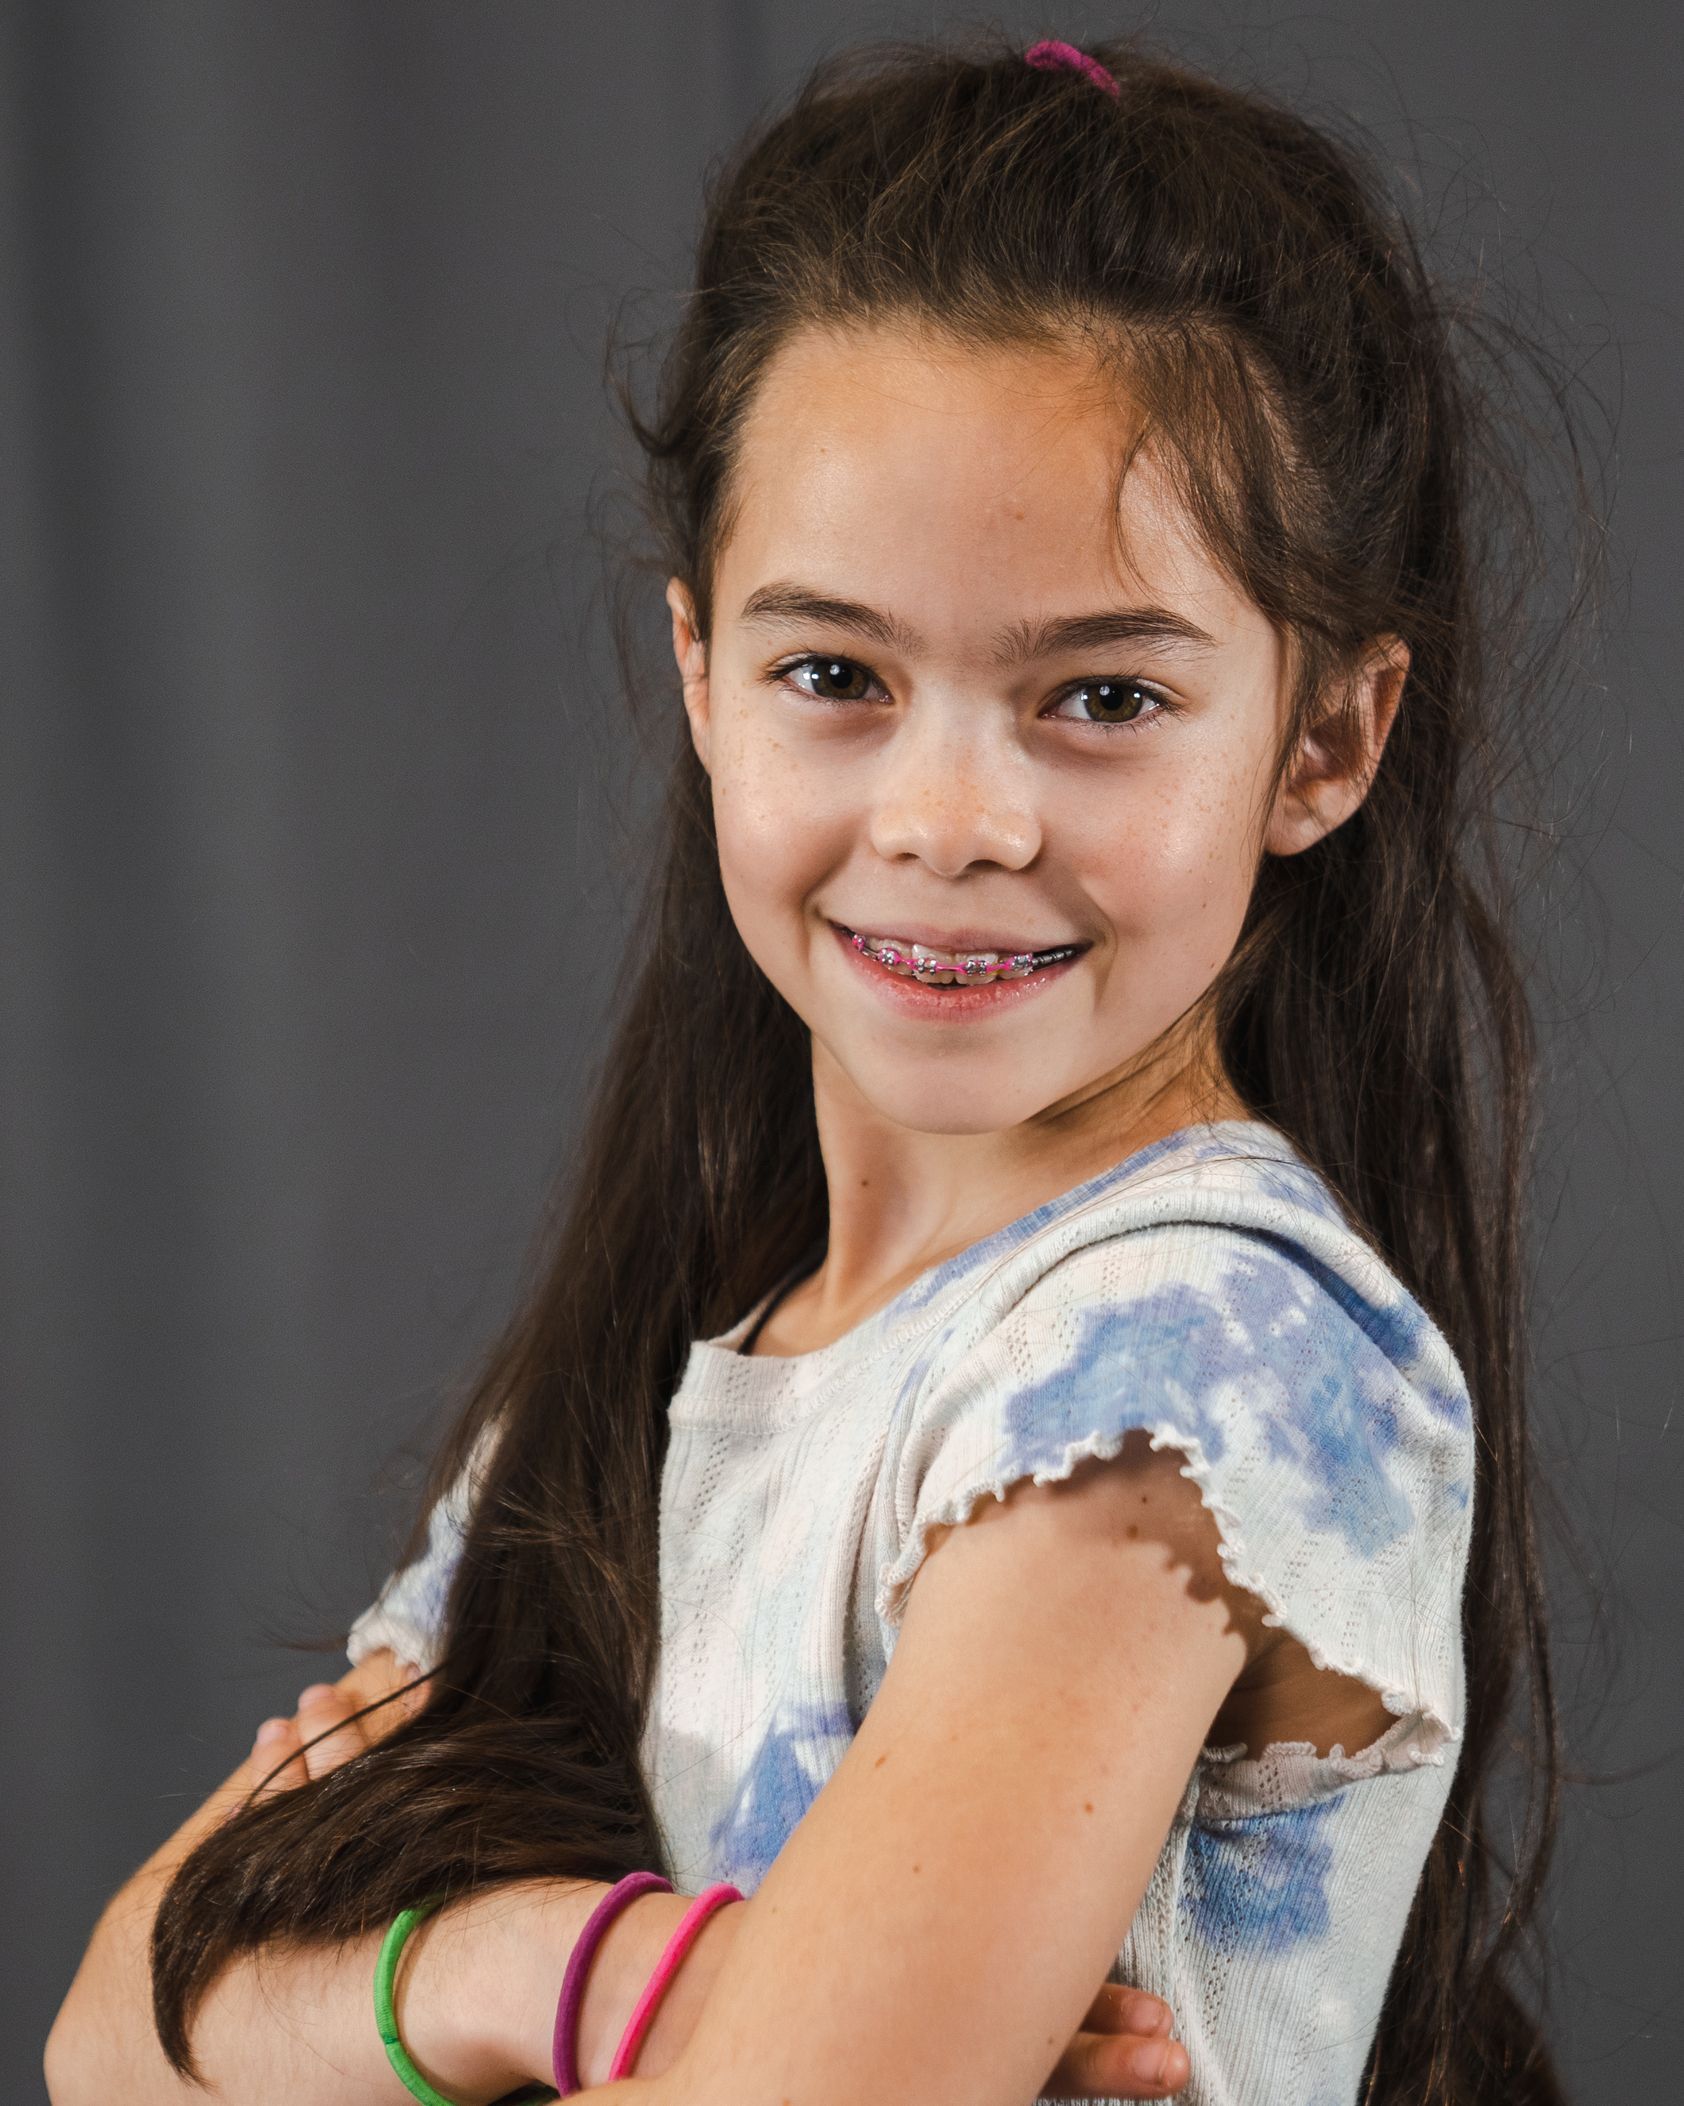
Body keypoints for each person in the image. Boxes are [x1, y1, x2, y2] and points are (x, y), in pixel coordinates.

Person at [45, 28, 1574, 2106]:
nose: (950, 816)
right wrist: (558, 1971)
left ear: (1320, 744)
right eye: (833, 675)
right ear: (699, 677)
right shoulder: (666, 1364)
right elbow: (113, 2038)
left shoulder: (1178, 1359)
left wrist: (357, 2010)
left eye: (1099, 695)